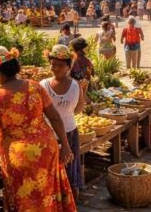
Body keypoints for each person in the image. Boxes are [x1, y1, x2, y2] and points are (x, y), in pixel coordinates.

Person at [0, 46, 76, 211]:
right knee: (47, 194)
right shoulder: (35, 86)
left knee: (26, 199)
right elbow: (55, 117)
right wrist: (66, 146)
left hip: (19, 157)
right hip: (46, 149)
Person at [40, 44, 87, 198]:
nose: (55, 68)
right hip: (49, 136)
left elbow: (80, 107)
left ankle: (71, 202)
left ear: (69, 66)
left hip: (69, 134)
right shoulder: (43, 85)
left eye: (60, 65)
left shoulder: (76, 85)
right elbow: (77, 109)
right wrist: (65, 111)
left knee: (70, 169)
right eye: (53, 65)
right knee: (55, 170)